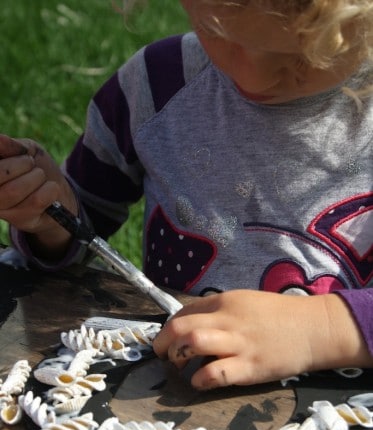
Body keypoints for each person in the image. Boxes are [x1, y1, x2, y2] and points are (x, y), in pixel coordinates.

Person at [0, 0, 373, 390]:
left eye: (302, 57)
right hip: (169, 407)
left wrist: (322, 329)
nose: (253, 76)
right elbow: (81, 234)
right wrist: (50, 214)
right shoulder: (157, 85)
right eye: (218, 33)